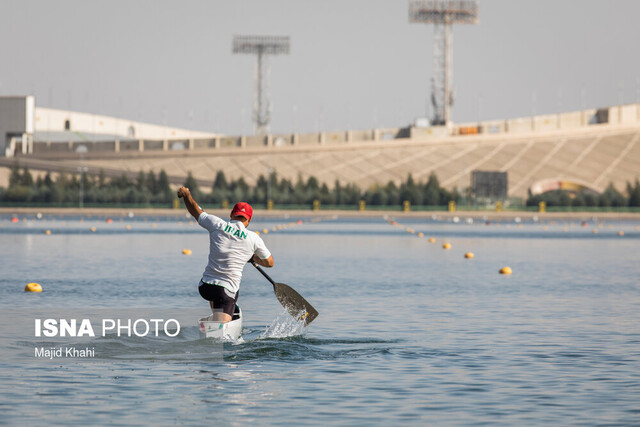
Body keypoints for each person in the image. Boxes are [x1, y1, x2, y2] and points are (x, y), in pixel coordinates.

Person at [177, 186, 274, 322]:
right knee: (225, 298)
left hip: (205, 287)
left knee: (217, 295)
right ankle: (219, 322)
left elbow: (195, 210)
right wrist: (252, 257)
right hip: (226, 291)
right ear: (248, 220)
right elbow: (269, 262)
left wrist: (186, 194)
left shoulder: (217, 224)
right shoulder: (253, 238)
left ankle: (216, 317)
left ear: (231, 215)